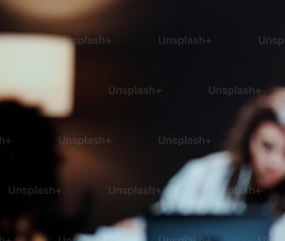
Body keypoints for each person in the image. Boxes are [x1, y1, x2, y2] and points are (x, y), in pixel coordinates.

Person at [80, 87, 285, 241]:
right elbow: (167, 224)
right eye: (266, 146)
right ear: (249, 138)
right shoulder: (204, 173)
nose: (274, 162)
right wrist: (140, 228)